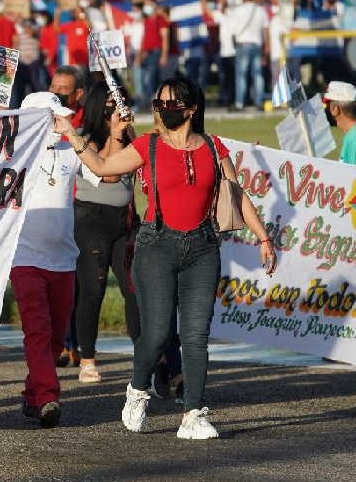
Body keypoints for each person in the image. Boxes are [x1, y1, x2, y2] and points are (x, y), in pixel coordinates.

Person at [56, 74, 277, 439]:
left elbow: (236, 196)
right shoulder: (149, 146)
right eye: (158, 103)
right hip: (156, 245)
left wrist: (263, 236)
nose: (162, 109)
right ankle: (137, 390)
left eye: (169, 104)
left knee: (195, 336)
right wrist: (72, 134)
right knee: (157, 333)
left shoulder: (213, 147)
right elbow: (102, 168)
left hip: (203, 248)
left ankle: (193, 414)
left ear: (191, 110)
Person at [11, 92, 83, 428]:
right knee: (37, 332)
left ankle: (32, 394)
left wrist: (78, 136)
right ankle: (47, 396)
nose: (61, 123)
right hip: (24, 258)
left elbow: (106, 173)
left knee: (54, 339)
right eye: (54, 118)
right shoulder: (13, 151)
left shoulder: (72, 149)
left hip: (64, 259)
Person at [71, 82, 140, 384]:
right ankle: (87, 358)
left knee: (135, 289)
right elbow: (109, 172)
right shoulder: (87, 141)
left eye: (123, 102)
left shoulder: (129, 136)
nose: (120, 108)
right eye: (114, 103)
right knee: (93, 290)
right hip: (92, 222)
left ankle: (144, 355)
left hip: (124, 222)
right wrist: (116, 134)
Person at [231, 0, 269, 111]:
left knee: (241, 75)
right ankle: (258, 101)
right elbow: (266, 30)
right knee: (258, 74)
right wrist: (266, 46)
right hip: (257, 44)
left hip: (242, 44)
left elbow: (233, 30)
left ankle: (239, 103)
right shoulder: (260, 10)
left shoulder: (237, 10)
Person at [138, 0, 169, 110]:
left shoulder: (160, 20)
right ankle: (150, 101)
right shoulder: (146, 20)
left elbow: (165, 37)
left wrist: (164, 55)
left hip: (156, 52)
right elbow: (144, 38)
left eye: (148, 4)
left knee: (151, 78)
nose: (146, 7)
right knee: (147, 79)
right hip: (147, 53)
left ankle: (154, 102)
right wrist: (141, 53)